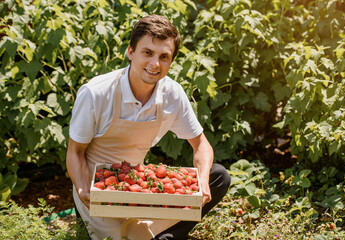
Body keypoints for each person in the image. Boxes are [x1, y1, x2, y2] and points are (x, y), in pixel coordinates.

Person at [66, 14, 231, 240]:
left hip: (138, 183)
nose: (155, 64)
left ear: (171, 61)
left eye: (164, 57)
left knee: (218, 176)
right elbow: (75, 152)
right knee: (120, 236)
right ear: (131, 52)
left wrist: (201, 183)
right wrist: (85, 190)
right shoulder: (96, 93)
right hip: (99, 187)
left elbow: (201, 145)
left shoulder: (172, 94)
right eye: (147, 53)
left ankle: (163, 235)